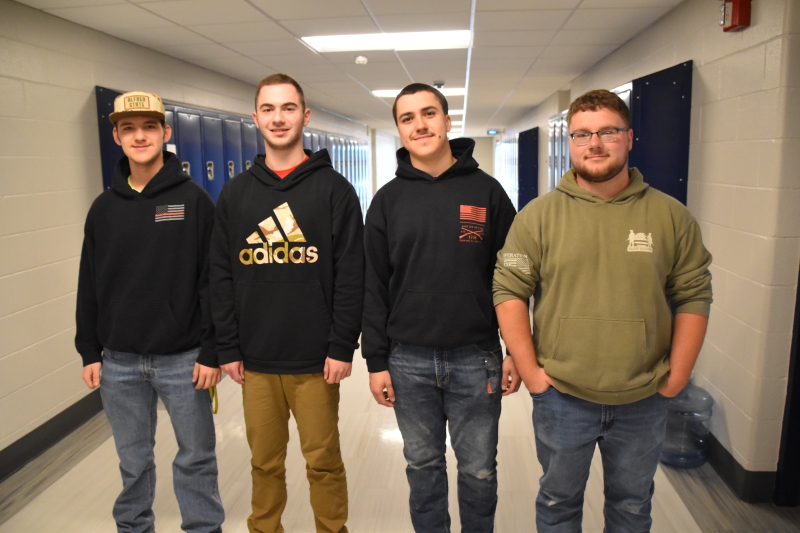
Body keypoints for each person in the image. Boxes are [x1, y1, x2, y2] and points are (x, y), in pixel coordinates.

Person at [493, 89, 713, 532]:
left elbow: (693, 293)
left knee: (632, 506)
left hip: (644, 397)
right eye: (582, 134)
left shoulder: (671, 217)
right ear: (571, 142)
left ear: (629, 138)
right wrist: (531, 371)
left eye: (607, 132)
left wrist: (679, 375)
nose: (594, 143)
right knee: (558, 503)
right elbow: (509, 290)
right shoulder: (538, 217)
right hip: (562, 396)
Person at [362, 83, 521, 533]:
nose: (420, 124)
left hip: (477, 357)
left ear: (448, 122)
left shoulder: (488, 193)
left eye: (428, 113)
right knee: (423, 468)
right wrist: (376, 361)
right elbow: (372, 285)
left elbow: (514, 279)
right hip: (407, 360)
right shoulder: (387, 202)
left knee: (478, 471)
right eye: (407, 118)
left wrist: (516, 349)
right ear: (399, 129)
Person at [210, 73, 363, 533]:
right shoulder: (236, 194)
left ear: (305, 116)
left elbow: (351, 276)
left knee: (323, 462)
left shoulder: (335, 191)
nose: (279, 118)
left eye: (289, 108)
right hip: (255, 361)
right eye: (269, 109)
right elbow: (220, 274)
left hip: (315, 360)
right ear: (256, 118)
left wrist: (341, 346)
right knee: (264, 463)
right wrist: (229, 347)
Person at [75, 90, 224, 533]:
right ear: (117, 137)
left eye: (149, 127)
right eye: (129, 129)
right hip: (119, 362)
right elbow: (89, 283)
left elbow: (213, 282)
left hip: (184, 359)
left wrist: (212, 350)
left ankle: (203, 527)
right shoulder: (102, 210)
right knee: (132, 461)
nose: (139, 136)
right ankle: (133, 527)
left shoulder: (194, 201)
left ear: (166, 132)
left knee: (196, 457)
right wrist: (89, 351)